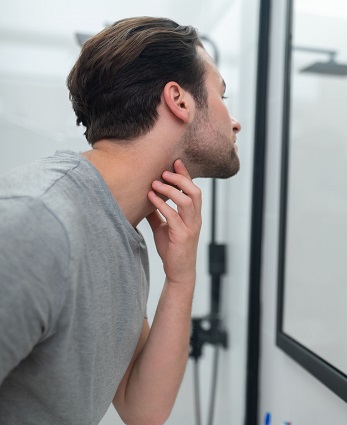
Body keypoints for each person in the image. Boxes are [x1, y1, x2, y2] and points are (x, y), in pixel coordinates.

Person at [0, 17, 241, 424]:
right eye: (221, 94)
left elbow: (142, 409)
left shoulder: (119, 234)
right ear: (179, 100)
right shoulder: (34, 222)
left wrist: (181, 278)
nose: (234, 121)